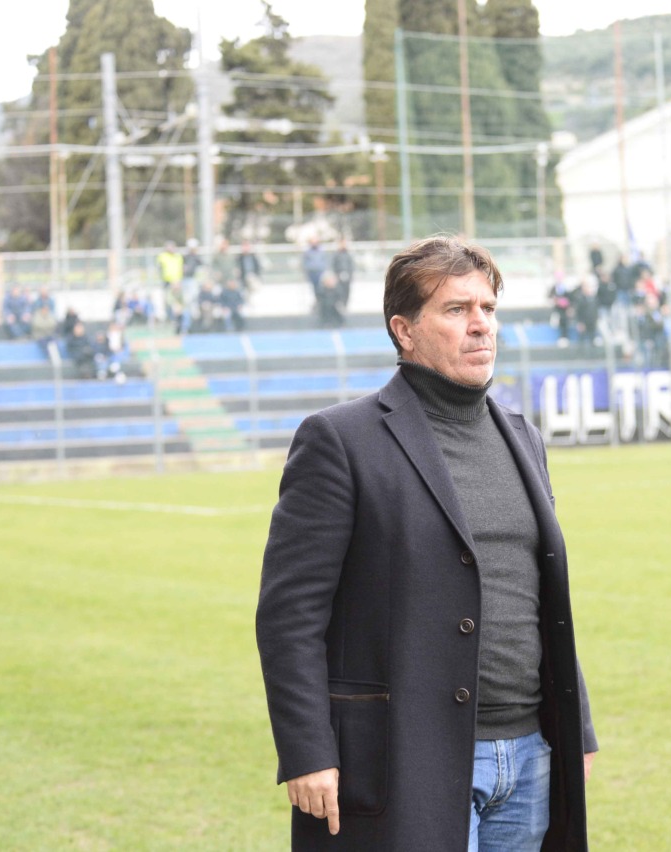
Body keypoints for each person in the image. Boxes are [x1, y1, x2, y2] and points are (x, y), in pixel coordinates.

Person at [257, 235, 597, 852]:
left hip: (530, 756)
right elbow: (290, 615)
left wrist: (578, 728)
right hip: (410, 757)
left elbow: (542, 598)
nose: (480, 325)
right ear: (404, 330)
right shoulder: (340, 440)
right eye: (456, 309)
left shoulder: (523, 437)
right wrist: (307, 750)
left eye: (488, 308)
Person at [157, 240, 184, 318]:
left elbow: (180, 268)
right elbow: (160, 269)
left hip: (177, 282)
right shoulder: (162, 256)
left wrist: (178, 281)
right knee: (168, 301)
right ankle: (170, 317)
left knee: (178, 301)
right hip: (167, 282)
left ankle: (179, 318)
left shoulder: (178, 256)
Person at [331, 238, 355, 309]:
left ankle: (345, 305)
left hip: (347, 276)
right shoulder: (336, 255)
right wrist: (336, 275)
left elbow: (351, 265)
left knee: (347, 291)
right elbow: (333, 265)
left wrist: (350, 275)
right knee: (339, 291)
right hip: (339, 276)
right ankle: (340, 304)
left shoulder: (348, 255)